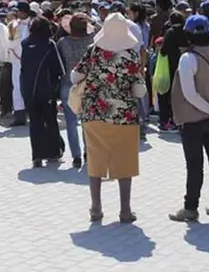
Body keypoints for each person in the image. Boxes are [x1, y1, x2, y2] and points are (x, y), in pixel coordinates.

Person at [72, 12, 145, 224]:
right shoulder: (131, 55)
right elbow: (139, 90)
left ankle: (96, 208)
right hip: (125, 116)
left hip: (94, 112)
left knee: (95, 159)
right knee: (125, 161)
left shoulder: (93, 51)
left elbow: (75, 76)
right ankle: (125, 211)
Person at [168, 15, 209, 222]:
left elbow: (190, 94)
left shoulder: (188, 59)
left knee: (195, 166)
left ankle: (190, 208)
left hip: (192, 121)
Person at [20, 17, 65, 168]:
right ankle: (54, 152)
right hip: (46, 89)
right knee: (50, 120)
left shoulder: (25, 43)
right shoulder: (49, 44)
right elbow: (58, 69)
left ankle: (37, 156)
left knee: (35, 122)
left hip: (28, 89)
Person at [56, 13, 94, 169]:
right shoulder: (92, 42)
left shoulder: (62, 42)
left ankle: (76, 156)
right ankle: (87, 152)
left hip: (68, 83)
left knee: (71, 122)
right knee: (86, 121)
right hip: (87, 84)